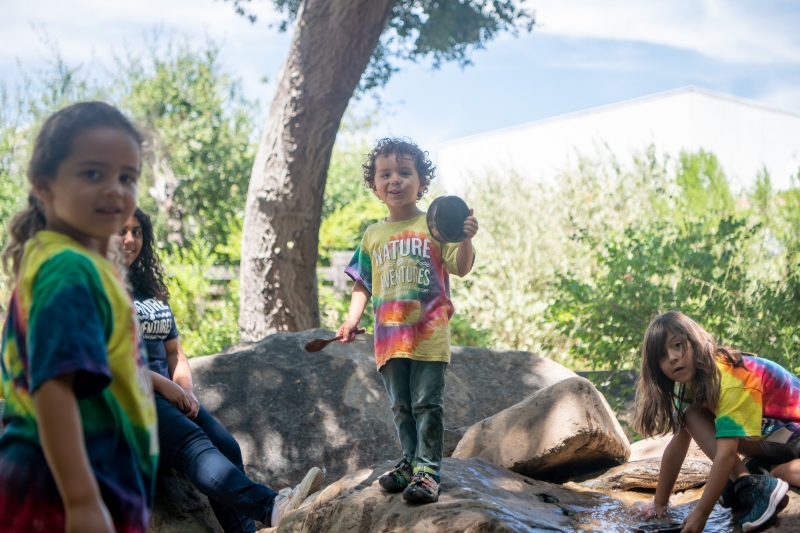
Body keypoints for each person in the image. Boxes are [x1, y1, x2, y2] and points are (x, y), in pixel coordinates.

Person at [0, 102, 157, 533]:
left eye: (127, 177)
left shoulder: (63, 259)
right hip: (61, 498)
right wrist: (83, 502)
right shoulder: (67, 269)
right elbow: (54, 385)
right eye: (93, 173)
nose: (115, 189)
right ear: (43, 185)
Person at [116, 207, 322, 532]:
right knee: (193, 447)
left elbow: (174, 351)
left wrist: (184, 389)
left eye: (136, 232)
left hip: (166, 396)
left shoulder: (148, 290)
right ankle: (270, 506)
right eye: (121, 231)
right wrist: (165, 386)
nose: (129, 239)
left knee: (227, 447)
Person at [336, 138, 479, 504]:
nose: (395, 180)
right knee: (400, 405)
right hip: (389, 339)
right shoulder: (372, 234)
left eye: (404, 172)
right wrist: (351, 320)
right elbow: (361, 283)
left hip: (428, 335)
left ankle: (428, 470)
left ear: (421, 182)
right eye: (385, 174)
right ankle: (411, 460)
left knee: (427, 403)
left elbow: (461, 268)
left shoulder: (433, 225)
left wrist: (464, 238)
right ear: (374, 185)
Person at [632, 311, 800, 533]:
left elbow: (726, 453)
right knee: (689, 415)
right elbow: (677, 446)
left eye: (678, 345)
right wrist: (659, 504)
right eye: (662, 355)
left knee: (782, 473)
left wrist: (701, 514)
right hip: (776, 441)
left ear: (695, 342)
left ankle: (750, 483)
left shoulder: (731, 378)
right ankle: (747, 480)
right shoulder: (696, 381)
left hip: (794, 434)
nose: (672, 357)